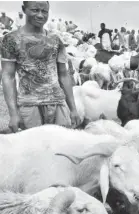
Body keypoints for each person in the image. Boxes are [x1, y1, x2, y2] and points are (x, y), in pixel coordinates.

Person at [1, 1, 81, 132]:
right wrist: (13, 114)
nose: (40, 15)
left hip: (58, 104)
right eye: (35, 10)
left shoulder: (55, 39)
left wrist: (73, 109)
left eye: (44, 11)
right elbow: (8, 76)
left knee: (61, 147)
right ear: (24, 9)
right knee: (34, 149)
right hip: (29, 105)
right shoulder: (11, 39)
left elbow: (64, 74)